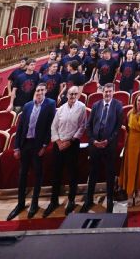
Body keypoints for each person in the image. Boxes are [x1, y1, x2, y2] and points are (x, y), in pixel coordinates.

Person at [7, 83, 56, 220]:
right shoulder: (28, 105)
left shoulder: (50, 104)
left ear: (45, 91)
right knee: (22, 175)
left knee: (38, 175)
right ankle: (20, 204)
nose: (39, 92)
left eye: (42, 90)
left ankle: (34, 204)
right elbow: (20, 127)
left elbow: (50, 126)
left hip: (38, 145)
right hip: (25, 145)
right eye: (37, 90)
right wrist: (16, 147)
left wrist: (45, 145)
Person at [43, 86, 87, 217]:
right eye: (70, 94)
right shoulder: (61, 109)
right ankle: (54, 201)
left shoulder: (81, 107)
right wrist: (58, 142)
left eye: (75, 94)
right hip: (59, 145)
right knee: (56, 174)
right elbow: (53, 126)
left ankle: (71, 200)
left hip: (72, 144)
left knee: (72, 174)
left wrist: (70, 141)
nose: (72, 96)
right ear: (66, 95)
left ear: (78, 95)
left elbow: (82, 126)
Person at [80, 83, 123, 213]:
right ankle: (89, 200)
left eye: (110, 92)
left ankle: (110, 199)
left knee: (110, 174)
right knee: (93, 173)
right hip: (95, 146)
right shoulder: (96, 105)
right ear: (102, 92)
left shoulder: (118, 105)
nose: (108, 94)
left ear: (113, 92)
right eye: (106, 92)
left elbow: (117, 127)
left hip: (109, 145)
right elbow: (89, 126)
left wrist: (107, 141)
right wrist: (93, 141)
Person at [119, 93, 140, 205]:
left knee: (139, 168)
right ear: (135, 101)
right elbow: (126, 129)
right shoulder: (129, 114)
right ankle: (129, 194)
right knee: (131, 168)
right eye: (138, 100)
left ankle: (137, 193)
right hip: (131, 144)